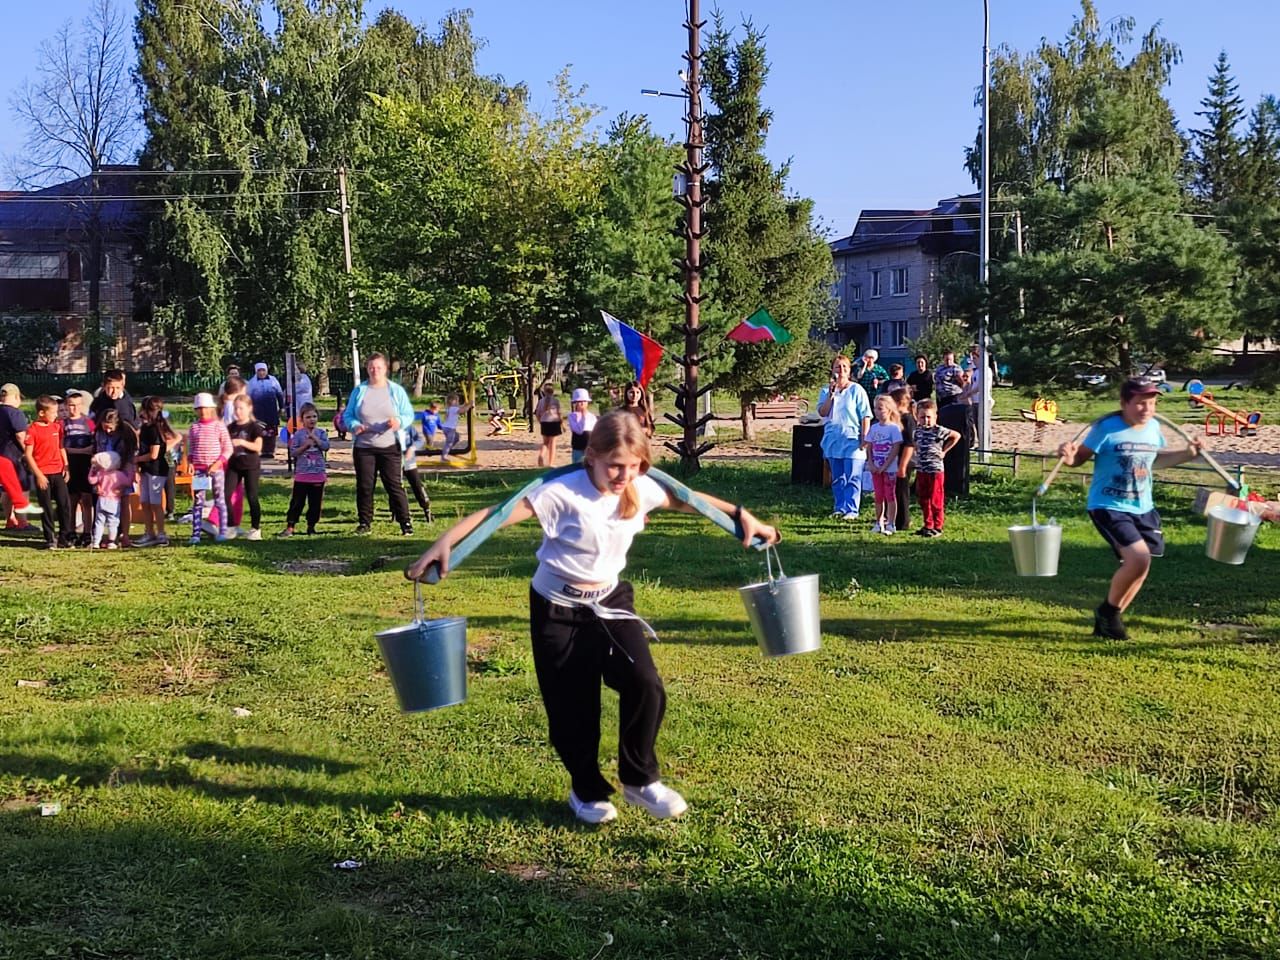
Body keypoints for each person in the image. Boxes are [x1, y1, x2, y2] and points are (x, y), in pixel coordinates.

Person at [405, 411, 781, 824]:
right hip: (557, 609)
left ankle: (639, 781)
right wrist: (445, 544)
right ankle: (585, 790)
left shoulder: (640, 487)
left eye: (633, 466)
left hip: (611, 601)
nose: (623, 475)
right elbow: (497, 514)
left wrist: (744, 515)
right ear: (592, 457)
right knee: (573, 709)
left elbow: (690, 500)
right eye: (615, 465)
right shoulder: (562, 492)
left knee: (645, 684)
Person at [1057, 377, 1203, 639]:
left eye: (1151, 403)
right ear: (1124, 403)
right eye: (1139, 403)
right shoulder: (1107, 428)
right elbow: (1079, 458)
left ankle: (1108, 621)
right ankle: (1109, 613)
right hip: (1108, 505)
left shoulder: (1153, 428)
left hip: (1143, 506)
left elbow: (1154, 460)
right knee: (1139, 558)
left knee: (1140, 567)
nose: (1146, 409)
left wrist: (1187, 454)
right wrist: (1068, 457)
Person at [343, 353, 415, 536]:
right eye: (371, 368)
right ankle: (364, 523)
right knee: (365, 486)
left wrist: (398, 421)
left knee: (394, 485)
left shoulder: (395, 391)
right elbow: (348, 415)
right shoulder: (359, 391)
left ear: (386, 370)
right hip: (364, 447)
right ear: (367, 369)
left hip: (389, 446)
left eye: (378, 368)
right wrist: (355, 426)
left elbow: (408, 414)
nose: (375, 371)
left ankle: (405, 523)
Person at [816, 356, 872, 521]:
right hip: (833, 439)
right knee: (838, 477)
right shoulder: (826, 390)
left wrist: (865, 437)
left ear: (849, 371)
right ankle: (839, 507)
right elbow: (823, 412)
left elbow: (865, 415)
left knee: (853, 475)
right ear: (832, 370)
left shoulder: (856, 390)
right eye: (837, 367)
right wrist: (831, 396)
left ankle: (852, 509)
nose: (841, 371)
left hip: (852, 439)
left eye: (844, 368)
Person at [88, 370, 138, 544]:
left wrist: (129, 461)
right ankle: (102, 534)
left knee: (123, 497)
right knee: (101, 496)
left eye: (117, 388)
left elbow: (133, 432)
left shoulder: (125, 404)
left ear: (123, 385)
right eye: (110, 388)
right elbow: (92, 420)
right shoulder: (100, 400)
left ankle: (123, 534)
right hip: (103, 455)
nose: (113, 392)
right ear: (104, 386)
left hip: (122, 458)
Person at [24, 395, 71, 549]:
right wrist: (38, 475)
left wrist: (66, 466)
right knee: (46, 506)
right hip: (42, 474)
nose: (56, 415)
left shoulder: (57, 427)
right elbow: (28, 455)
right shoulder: (33, 430)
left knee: (64, 504)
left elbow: (61, 447)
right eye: (53, 412)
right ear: (42, 413)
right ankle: (50, 538)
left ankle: (65, 537)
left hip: (58, 471)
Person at [187, 392, 233, 545]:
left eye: (205, 408)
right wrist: (191, 463)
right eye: (199, 408)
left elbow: (228, 449)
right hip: (200, 471)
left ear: (211, 408)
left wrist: (218, 463)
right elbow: (191, 449)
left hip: (216, 469)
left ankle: (223, 531)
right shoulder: (194, 428)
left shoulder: (219, 427)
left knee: (219, 500)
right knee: (198, 501)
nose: (203, 411)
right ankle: (196, 533)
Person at [132, 397, 178, 547]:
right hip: (146, 470)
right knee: (145, 502)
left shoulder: (154, 430)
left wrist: (136, 460)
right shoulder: (146, 428)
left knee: (155, 503)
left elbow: (154, 454)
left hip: (157, 470)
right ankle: (149, 532)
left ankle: (161, 533)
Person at [910, 399, 959, 537]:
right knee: (923, 498)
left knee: (935, 498)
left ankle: (938, 526)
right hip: (921, 469)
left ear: (935, 417)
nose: (926, 420)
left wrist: (944, 451)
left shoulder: (939, 430)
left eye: (928, 417)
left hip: (935, 469)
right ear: (917, 417)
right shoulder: (917, 431)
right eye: (922, 417)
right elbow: (914, 443)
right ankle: (928, 524)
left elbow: (956, 436)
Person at [279, 402, 329, 537]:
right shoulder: (299, 435)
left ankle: (311, 526)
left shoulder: (321, 433)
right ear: (302, 419)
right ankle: (291, 525)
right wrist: (305, 446)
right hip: (302, 475)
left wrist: (316, 440)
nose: (312, 419)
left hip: (317, 474)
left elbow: (326, 446)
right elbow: (293, 452)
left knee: (315, 503)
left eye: (314, 416)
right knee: (297, 502)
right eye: (308, 417)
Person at [0, 383, 43, 528]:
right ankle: (22, 522)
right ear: (16, 396)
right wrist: (29, 452)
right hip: (15, 457)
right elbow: (20, 435)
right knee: (22, 487)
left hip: (2, 456)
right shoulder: (15, 413)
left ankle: (10, 520)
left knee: (6, 489)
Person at [93, 408, 138, 548]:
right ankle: (104, 536)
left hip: (122, 470)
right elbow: (97, 451)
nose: (107, 430)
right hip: (104, 473)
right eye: (104, 427)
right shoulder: (99, 434)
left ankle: (124, 535)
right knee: (103, 504)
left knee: (124, 501)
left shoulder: (126, 434)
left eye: (110, 428)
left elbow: (131, 454)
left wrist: (129, 472)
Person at [226, 393, 265, 540]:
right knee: (225, 495)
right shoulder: (231, 427)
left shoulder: (254, 427)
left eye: (241, 408)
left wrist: (241, 442)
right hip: (234, 465)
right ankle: (231, 527)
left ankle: (255, 529)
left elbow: (258, 447)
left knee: (252, 496)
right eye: (235, 409)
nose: (238, 412)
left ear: (249, 408)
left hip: (250, 465)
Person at [864, 394, 903, 535]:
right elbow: (869, 447)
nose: (877, 412)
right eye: (876, 409)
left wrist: (885, 466)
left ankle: (891, 523)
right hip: (875, 468)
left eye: (881, 409)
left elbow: (895, 448)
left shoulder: (893, 429)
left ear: (889, 410)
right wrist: (871, 463)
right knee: (878, 495)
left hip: (890, 468)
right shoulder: (874, 428)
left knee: (890, 495)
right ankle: (878, 521)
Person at [63, 389, 96, 546]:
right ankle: (70, 531)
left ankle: (87, 532)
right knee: (72, 499)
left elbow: (93, 445)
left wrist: (82, 451)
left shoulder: (88, 423)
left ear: (82, 405)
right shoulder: (62, 424)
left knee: (87, 499)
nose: (73, 409)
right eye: (70, 405)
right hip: (70, 465)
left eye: (76, 405)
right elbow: (61, 447)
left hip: (85, 465)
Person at [88, 451, 130, 550]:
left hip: (101, 499)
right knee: (113, 522)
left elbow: (91, 480)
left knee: (99, 522)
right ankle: (111, 542)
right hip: (114, 501)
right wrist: (131, 473)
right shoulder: (118, 475)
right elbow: (128, 482)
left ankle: (96, 542)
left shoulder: (101, 473)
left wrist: (92, 470)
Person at [889, 388, 916, 532]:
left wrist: (903, 466)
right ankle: (893, 517)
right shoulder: (897, 420)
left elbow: (909, 444)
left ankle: (903, 521)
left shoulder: (908, 420)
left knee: (902, 491)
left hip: (904, 461)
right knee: (894, 490)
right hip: (896, 460)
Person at [246, 362, 285, 458]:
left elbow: (279, 394)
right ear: (256, 371)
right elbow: (248, 398)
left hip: (271, 410)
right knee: (260, 431)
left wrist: (282, 407)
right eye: (259, 371)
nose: (262, 373)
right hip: (258, 411)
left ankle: (270, 451)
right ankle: (262, 451)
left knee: (271, 432)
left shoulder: (273, 380)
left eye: (263, 370)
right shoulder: (252, 382)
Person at [402, 421, 433, 525]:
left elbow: (419, 440)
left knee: (417, 487)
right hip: (393, 463)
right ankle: (399, 513)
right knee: (396, 488)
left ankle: (426, 509)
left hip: (409, 462)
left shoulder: (408, 427)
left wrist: (412, 448)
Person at [534, 383, 563, 467]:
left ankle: (541, 456)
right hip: (554, 422)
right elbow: (559, 413)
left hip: (544, 422)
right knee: (553, 443)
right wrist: (562, 423)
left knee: (545, 443)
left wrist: (540, 421)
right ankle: (551, 463)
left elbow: (537, 413)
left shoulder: (541, 401)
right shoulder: (555, 401)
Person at [567, 388, 597, 465]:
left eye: (584, 401)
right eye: (579, 402)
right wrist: (583, 416)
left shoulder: (592, 417)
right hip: (578, 446)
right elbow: (579, 430)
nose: (581, 404)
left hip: (589, 447)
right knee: (577, 466)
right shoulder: (572, 416)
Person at [439, 392, 471, 461]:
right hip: (450, 428)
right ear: (451, 401)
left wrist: (466, 404)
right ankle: (444, 456)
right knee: (449, 442)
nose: (457, 402)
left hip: (447, 427)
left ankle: (447, 450)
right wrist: (469, 405)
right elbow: (463, 410)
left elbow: (460, 407)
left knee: (456, 438)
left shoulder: (450, 408)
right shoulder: (453, 409)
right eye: (456, 400)